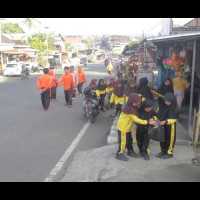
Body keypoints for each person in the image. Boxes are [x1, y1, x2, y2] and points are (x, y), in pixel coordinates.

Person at [116, 93, 156, 161]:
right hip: (123, 128)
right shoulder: (129, 109)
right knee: (123, 141)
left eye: (138, 102)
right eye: (136, 103)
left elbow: (140, 97)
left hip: (127, 127)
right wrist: (148, 122)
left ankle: (130, 151)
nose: (137, 104)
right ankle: (120, 153)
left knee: (129, 140)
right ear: (131, 101)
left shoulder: (132, 107)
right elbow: (136, 120)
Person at [155, 92, 179, 159]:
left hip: (170, 126)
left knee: (170, 139)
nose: (166, 103)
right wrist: (153, 119)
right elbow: (158, 114)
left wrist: (166, 121)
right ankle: (163, 151)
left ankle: (169, 152)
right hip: (163, 125)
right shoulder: (163, 106)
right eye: (165, 101)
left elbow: (174, 119)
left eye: (168, 102)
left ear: (172, 101)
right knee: (162, 138)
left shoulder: (175, 108)